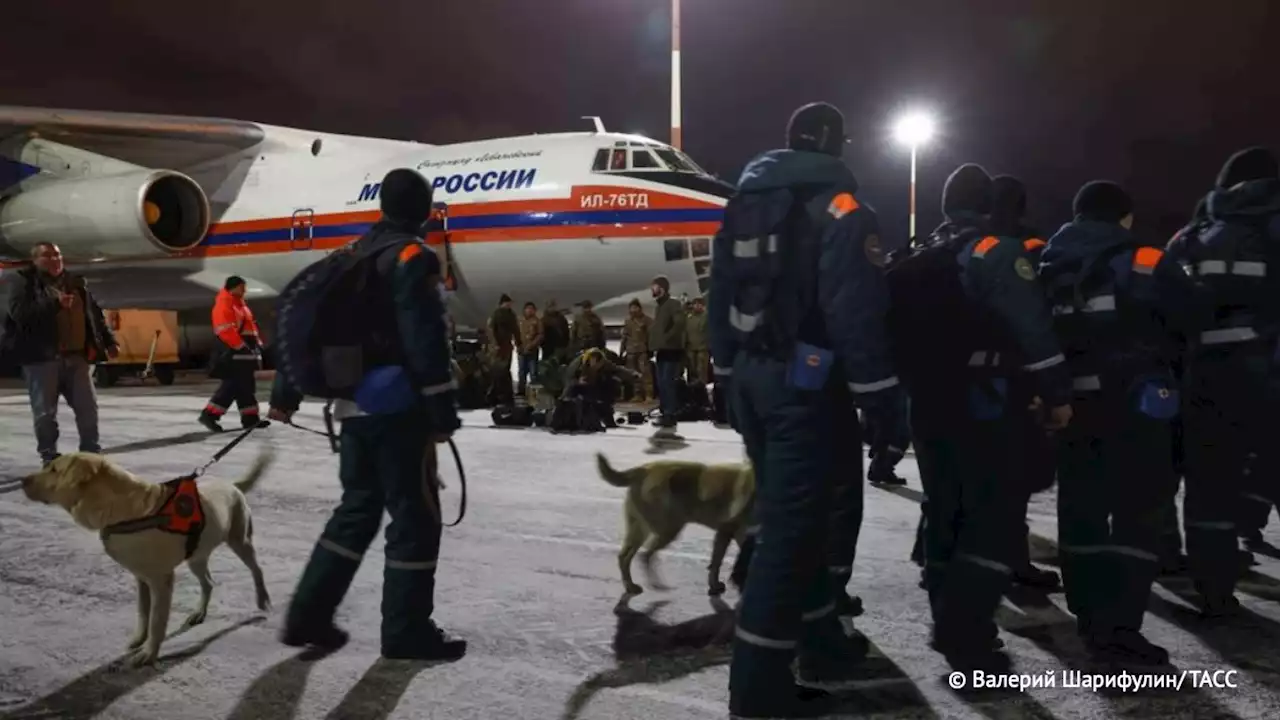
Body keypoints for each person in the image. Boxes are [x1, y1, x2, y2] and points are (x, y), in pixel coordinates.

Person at [709, 101, 907, 718]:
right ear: (836, 147)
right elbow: (856, 311)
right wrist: (881, 401)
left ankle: (821, 638)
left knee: (804, 515)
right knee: (791, 536)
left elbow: (718, 294)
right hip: (806, 386)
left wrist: (722, 375)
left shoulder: (743, 205)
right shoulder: (843, 210)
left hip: (750, 381)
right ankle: (758, 691)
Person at [268, 168, 465, 661]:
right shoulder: (411, 258)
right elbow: (426, 340)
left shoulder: (351, 255)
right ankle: (406, 632)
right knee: (415, 520)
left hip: (351, 408)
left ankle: (308, 615)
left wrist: (285, 391)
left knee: (356, 512)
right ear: (424, 211)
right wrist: (441, 410)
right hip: (397, 409)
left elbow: (312, 320)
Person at [908, 164, 1071, 672]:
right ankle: (971, 636)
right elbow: (1033, 330)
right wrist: (1057, 394)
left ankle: (945, 621)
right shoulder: (994, 252)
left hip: (928, 402)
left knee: (943, 509)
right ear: (988, 206)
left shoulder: (921, 251)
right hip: (985, 403)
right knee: (988, 519)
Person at [1041, 180, 1195, 666]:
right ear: (1124, 218)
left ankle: (1087, 616)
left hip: (1071, 405)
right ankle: (1121, 626)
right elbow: (1191, 319)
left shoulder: (1046, 263)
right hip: (1136, 408)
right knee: (1139, 514)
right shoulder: (1147, 260)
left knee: (1080, 509)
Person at [1167, 146, 1280, 617]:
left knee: (1209, 489)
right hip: (1270, 374)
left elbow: (1166, 309)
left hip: (1206, 379)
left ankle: (1214, 591)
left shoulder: (1191, 235)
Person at [989, 175, 1062, 590]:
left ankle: (933, 555)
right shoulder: (1028, 249)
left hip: (959, 379)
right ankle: (1014, 562)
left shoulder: (958, 245)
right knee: (1013, 479)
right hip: (1013, 379)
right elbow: (1036, 320)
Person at [2, 242, 117, 464]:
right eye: (47, 256)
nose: (55, 260)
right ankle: (49, 457)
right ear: (35, 260)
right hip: (42, 359)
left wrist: (109, 341)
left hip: (77, 358)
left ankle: (91, 456)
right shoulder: (23, 281)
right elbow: (20, 315)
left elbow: (93, 314)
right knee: (45, 415)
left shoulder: (75, 282)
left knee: (88, 411)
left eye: (57, 255)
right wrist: (55, 304)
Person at [198, 276, 264, 432]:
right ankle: (210, 415)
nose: (244, 290)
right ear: (232, 287)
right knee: (232, 386)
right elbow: (225, 329)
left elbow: (251, 327)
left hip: (244, 352)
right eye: (242, 287)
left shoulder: (240, 306)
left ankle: (250, 419)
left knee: (246, 386)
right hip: (234, 353)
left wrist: (258, 344)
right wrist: (240, 346)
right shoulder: (225, 305)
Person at [649, 275, 686, 438]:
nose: (652, 289)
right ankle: (665, 412)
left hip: (671, 350)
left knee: (668, 383)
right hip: (662, 351)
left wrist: (667, 339)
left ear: (662, 288)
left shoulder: (673, 304)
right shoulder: (659, 307)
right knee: (662, 383)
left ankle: (670, 415)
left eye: (654, 286)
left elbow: (679, 323)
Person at [620, 298, 654, 401]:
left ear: (639, 308)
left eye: (635, 307)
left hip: (642, 350)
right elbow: (624, 337)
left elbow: (651, 335)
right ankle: (637, 394)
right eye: (631, 308)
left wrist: (651, 349)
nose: (633, 310)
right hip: (631, 351)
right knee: (634, 374)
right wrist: (622, 350)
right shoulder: (628, 321)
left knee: (645, 373)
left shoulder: (647, 320)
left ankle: (649, 394)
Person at [487, 294, 519, 405]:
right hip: (498, 346)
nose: (509, 305)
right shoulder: (497, 314)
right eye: (508, 303)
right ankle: (497, 394)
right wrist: (495, 344)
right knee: (499, 370)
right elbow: (491, 329)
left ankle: (505, 395)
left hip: (507, 345)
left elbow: (516, 329)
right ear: (503, 303)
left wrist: (518, 343)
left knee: (505, 370)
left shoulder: (511, 315)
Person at [516, 301, 542, 398]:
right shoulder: (520, 321)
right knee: (521, 372)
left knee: (533, 372)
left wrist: (532, 344)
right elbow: (516, 334)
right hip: (521, 350)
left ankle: (534, 393)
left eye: (531, 309)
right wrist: (518, 345)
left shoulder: (537, 321)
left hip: (532, 350)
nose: (529, 311)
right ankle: (521, 391)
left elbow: (540, 335)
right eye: (528, 309)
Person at [684, 296, 710, 385]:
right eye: (695, 304)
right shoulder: (688, 317)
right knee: (692, 370)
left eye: (699, 304)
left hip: (702, 348)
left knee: (701, 370)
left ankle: (702, 390)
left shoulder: (706, 317)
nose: (697, 306)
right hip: (690, 348)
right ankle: (692, 390)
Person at [541, 299, 571, 363]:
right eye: (550, 306)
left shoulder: (561, 318)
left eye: (553, 306)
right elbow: (541, 333)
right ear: (547, 307)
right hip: (548, 348)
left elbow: (566, 331)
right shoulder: (544, 319)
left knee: (561, 365)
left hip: (561, 346)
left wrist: (566, 343)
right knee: (548, 366)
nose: (552, 308)